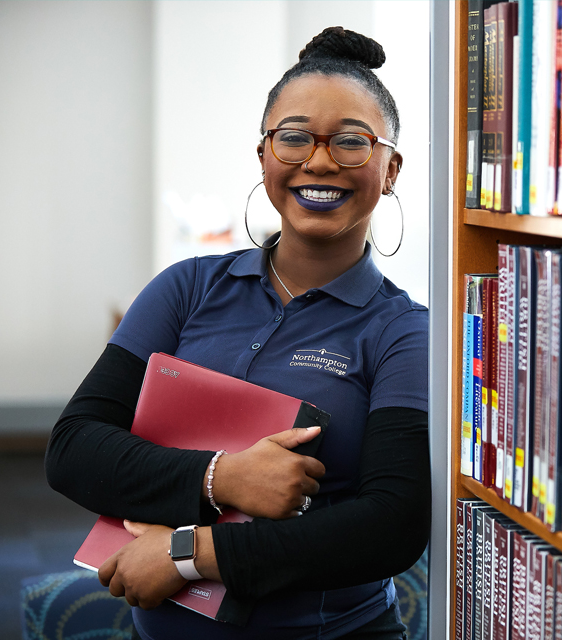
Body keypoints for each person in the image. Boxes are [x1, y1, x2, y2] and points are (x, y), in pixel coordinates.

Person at [45, 27, 430, 640]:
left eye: (353, 142)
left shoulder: (404, 331)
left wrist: (188, 552)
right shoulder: (184, 289)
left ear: (390, 170)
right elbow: (73, 450)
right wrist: (222, 477)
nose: (321, 161)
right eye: (294, 138)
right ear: (264, 157)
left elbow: (393, 525)